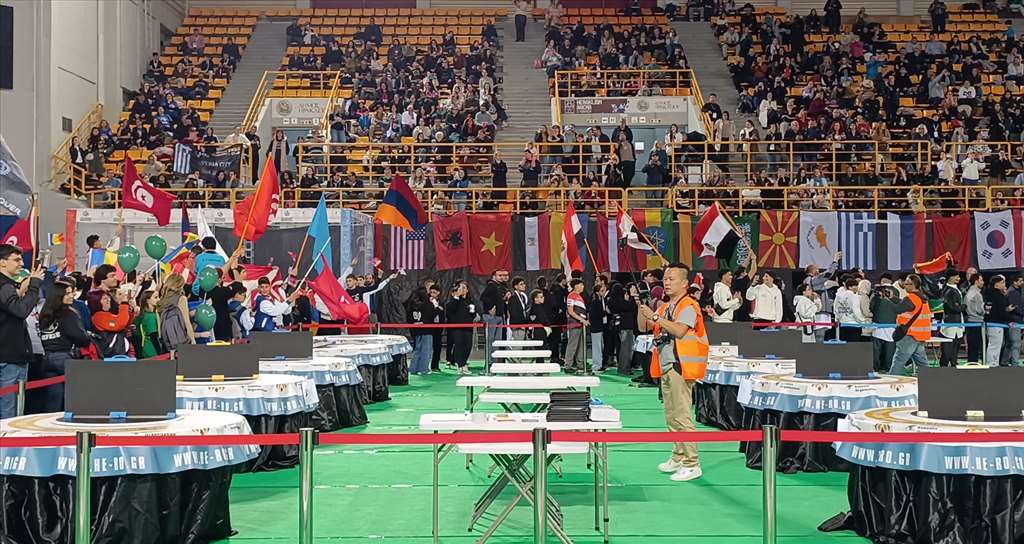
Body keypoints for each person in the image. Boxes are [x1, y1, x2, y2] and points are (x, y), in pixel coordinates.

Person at [637, 263, 708, 482]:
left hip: (680, 365)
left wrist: (655, 317)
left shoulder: (689, 305)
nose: (666, 282)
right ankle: (678, 455)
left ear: (685, 283)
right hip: (666, 365)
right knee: (671, 415)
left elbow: (679, 330)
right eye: (665, 279)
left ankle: (692, 463)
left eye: (671, 279)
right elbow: (643, 326)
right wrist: (642, 307)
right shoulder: (665, 306)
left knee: (682, 415)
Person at [0, 244, 43, 418]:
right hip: (10, 357)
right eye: (16, 259)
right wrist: (34, 286)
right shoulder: (4, 286)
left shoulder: (7, 286)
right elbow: (20, 310)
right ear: (2, 262)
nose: (21, 263)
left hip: (9, 355)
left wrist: (25, 285)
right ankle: (8, 436)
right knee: (11, 410)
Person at [37, 281, 90, 412]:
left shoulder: (44, 313)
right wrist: (87, 338)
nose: (72, 295)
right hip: (65, 358)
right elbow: (80, 338)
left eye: (71, 292)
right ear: (58, 295)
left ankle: (50, 423)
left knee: (54, 398)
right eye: (67, 293)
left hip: (46, 359)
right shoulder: (69, 313)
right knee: (77, 397)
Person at [888, 275, 933, 375]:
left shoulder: (911, 298)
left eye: (907, 284)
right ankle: (929, 381)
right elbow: (903, 305)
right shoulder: (922, 298)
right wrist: (892, 298)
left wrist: (886, 299)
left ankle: (891, 381)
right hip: (920, 337)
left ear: (914, 285)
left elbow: (897, 309)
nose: (905, 286)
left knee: (898, 362)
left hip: (909, 336)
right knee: (923, 364)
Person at [480, 270, 510, 371]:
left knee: (497, 341)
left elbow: (498, 300)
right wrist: (490, 307)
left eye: (503, 275)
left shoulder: (500, 286)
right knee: (491, 340)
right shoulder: (491, 285)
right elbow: (483, 297)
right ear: (494, 276)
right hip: (491, 316)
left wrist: (504, 299)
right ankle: (489, 363)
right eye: (499, 275)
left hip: (499, 316)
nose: (502, 277)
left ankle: (493, 363)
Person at [157, 274, 194, 355]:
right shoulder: (181, 299)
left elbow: (159, 327)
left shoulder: (160, 302)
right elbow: (186, 322)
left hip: (167, 344)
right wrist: (193, 341)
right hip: (182, 341)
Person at [445, 281, 476, 375]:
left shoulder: (470, 301)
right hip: (457, 328)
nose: (462, 290)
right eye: (460, 288)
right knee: (459, 345)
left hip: (468, 327)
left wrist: (473, 311)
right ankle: (460, 365)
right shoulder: (454, 301)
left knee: (468, 346)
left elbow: (473, 315)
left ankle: (464, 363)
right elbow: (450, 310)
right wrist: (457, 296)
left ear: (467, 290)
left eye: (464, 288)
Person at [869, 283, 899, 372]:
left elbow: (871, 307)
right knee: (890, 349)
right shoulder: (895, 291)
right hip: (891, 325)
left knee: (876, 349)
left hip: (877, 324)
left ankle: (875, 368)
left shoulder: (876, 293)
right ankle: (888, 368)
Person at [609, 283, 638, 375]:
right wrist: (631, 298)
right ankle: (624, 368)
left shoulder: (611, 300)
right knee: (626, 349)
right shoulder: (620, 301)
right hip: (626, 326)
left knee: (620, 348)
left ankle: (621, 366)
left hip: (617, 326)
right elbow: (630, 307)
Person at [984, 275, 1013, 367]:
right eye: (1002, 282)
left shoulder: (988, 294)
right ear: (996, 284)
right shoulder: (998, 296)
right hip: (996, 323)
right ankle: (992, 363)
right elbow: (1001, 311)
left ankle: (992, 362)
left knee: (992, 344)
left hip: (989, 322)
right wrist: (1009, 320)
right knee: (995, 345)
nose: (1004, 284)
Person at [938, 271, 965, 367]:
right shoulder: (948, 290)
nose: (959, 278)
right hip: (950, 322)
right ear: (950, 277)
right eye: (956, 276)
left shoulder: (956, 288)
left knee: (956, 346)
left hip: (957, 321)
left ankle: (953, 364)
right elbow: (953, 307)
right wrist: (963, 307)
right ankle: (944, 366)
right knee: (947, 347)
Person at [406, 287, 435, 375]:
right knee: (426, 350)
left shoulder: (411, 304)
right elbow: (431, 316)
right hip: (426, 330)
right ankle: (423, 369)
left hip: (416, 330)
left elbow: (409, 318)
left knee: (417, 349)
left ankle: (413, 368)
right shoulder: (427, 304)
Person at [564, 279, 589, 373]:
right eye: (581, 285)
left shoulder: (579, 296)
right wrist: (581, 319)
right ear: (575, 286)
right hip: (574, 324)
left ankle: (581, 365)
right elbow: (570, 311)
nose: (583, 287)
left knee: (580, 346)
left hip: (581, 324)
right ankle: (568, 366)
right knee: (572, 345)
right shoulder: (571, 295)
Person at [133, 290, 162, 358]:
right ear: (147, 300)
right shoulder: (150, 316)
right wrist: (159, 352)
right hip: (152, 350)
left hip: (144, 348)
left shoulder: (141, 315)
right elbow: (153, 336)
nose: (159, 299)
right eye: (155, 297)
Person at [964, 273, 986, 364]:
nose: (983, 282)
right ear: (976, 281)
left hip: (970, 321)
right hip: (977, 321)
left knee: (972, 346)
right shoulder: (977, 294)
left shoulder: (968, 292)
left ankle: (972, 363)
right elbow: (980, 310)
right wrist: (985, 309)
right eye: (981, 280)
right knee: (977, 345)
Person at [587, 282, 608, 372]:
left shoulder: (601, 301)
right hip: (596, 327)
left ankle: (599, 364)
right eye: (601, 291)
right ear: (597, 292)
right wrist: (604, 312)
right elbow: (594, 314)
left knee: (600, 346)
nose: (603, 292)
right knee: (597, 347)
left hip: (600, 326)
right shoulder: (595, 302)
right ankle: (596, 366)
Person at [1006, 275, 1023, 366]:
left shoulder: (1017, 291)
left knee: (1011, 343)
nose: (1022, 282)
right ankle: (1014, 363)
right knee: (1015, 343)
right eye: (1020, 281)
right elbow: (1016, 308)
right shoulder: (1012, 292)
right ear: (1014, 282)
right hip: (1014, 320)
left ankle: (1006, 361)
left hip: (1016, 320)